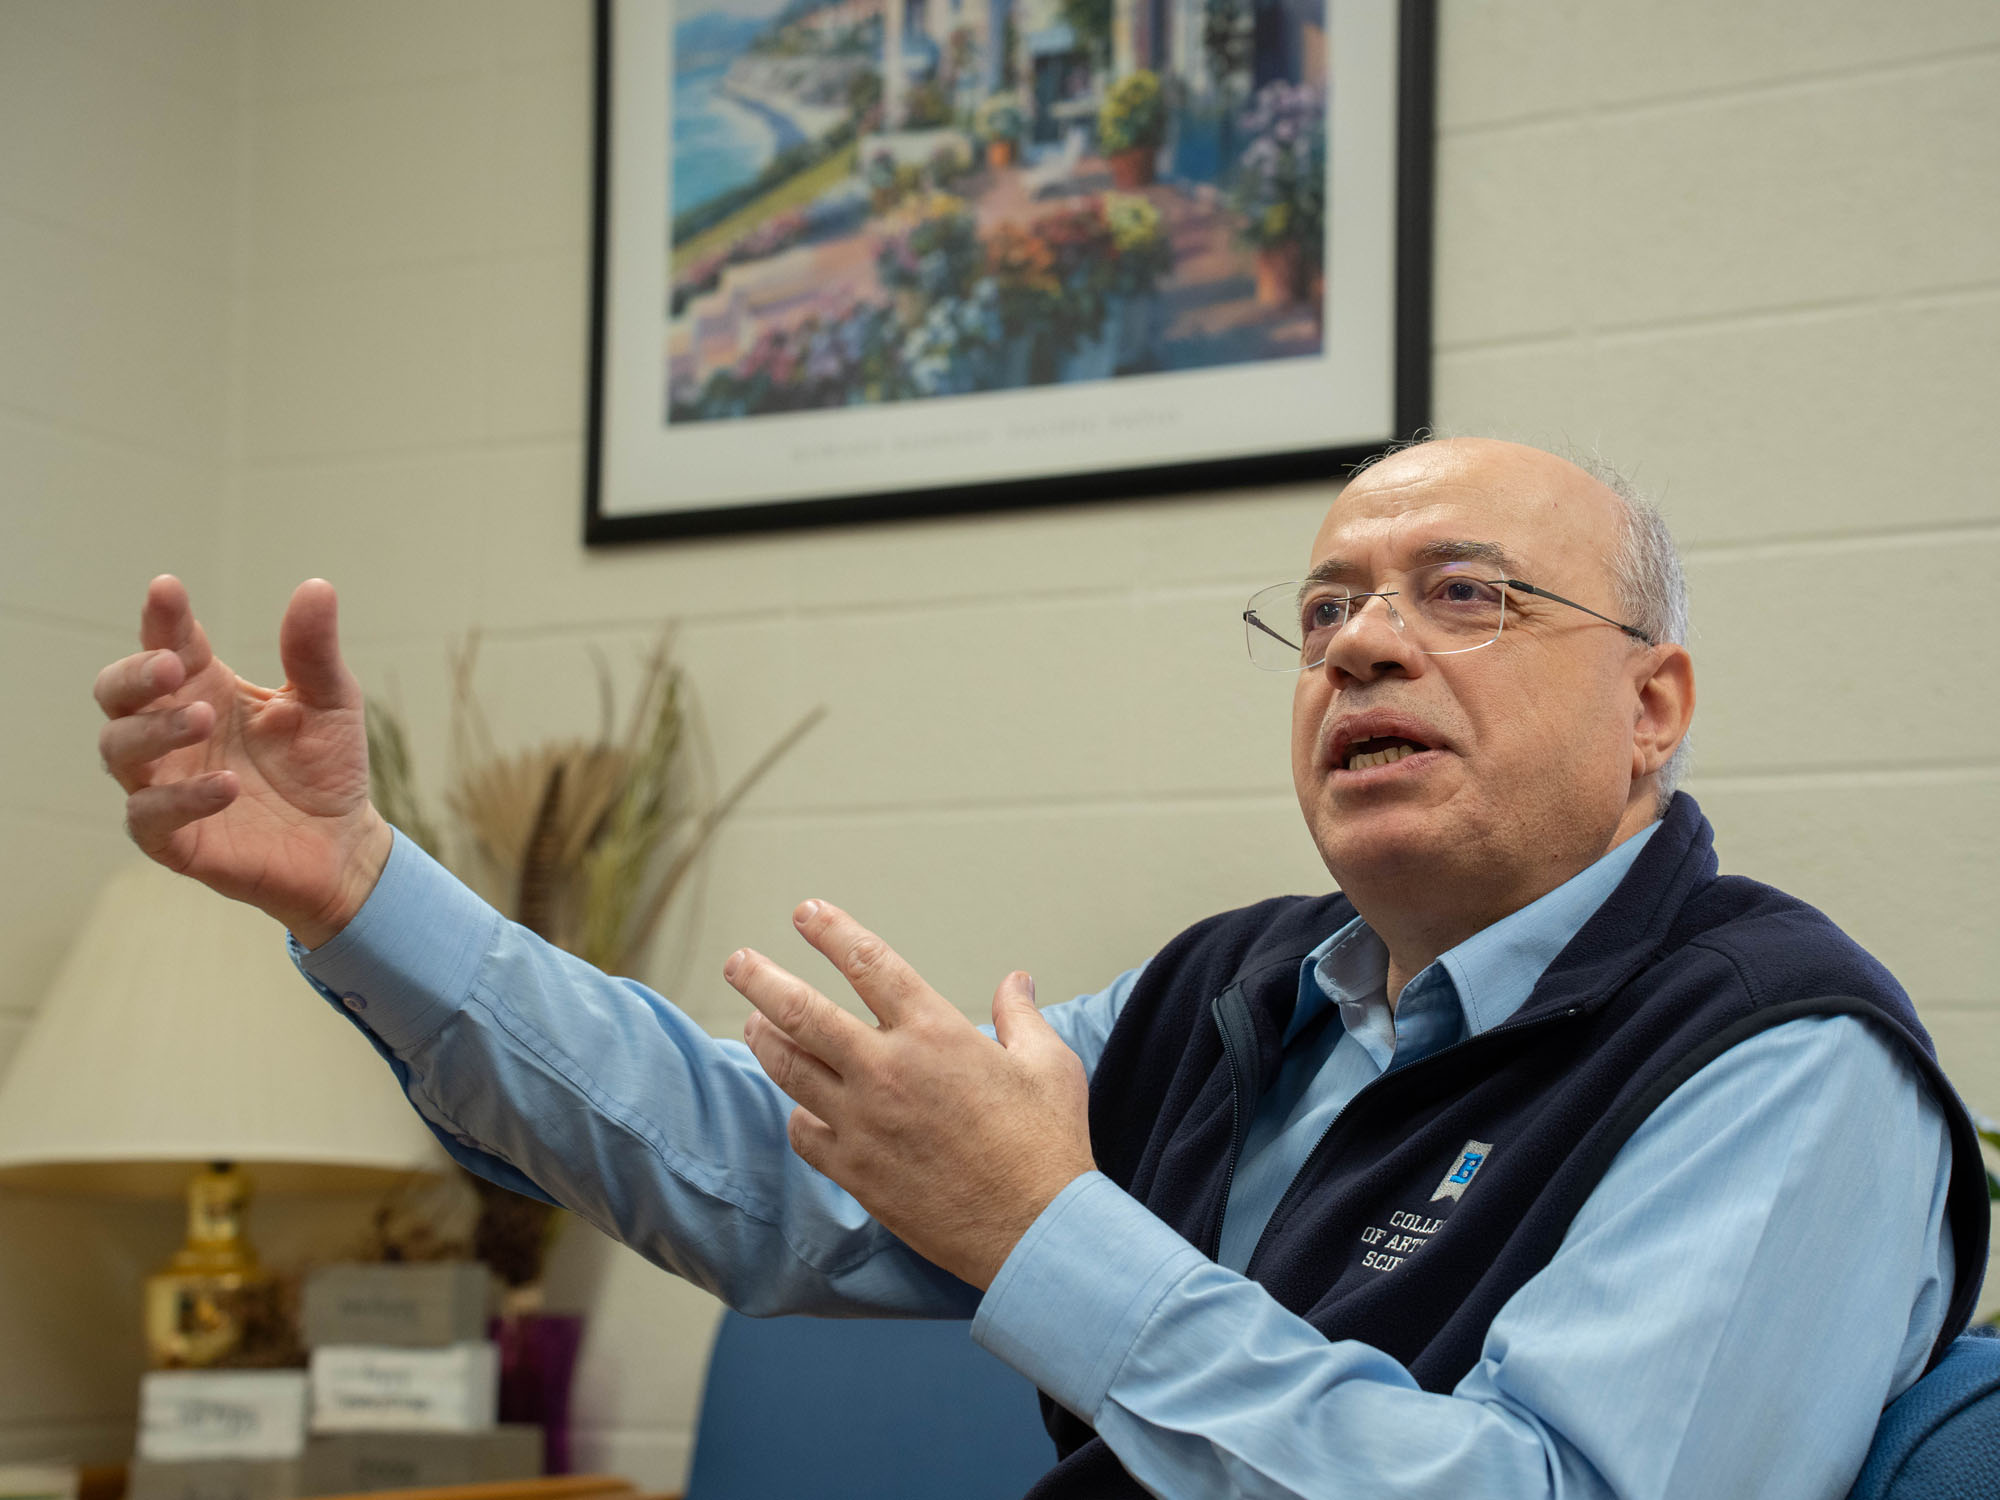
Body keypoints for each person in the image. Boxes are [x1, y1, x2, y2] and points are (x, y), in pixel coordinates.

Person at [95, 438, 1987, 1499]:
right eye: (1325, 611)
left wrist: (1042, 1232)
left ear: (1654, 708)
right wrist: (359, 889)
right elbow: (760, 1169)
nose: (1363, 649)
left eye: (1466, 594)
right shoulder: (1239, 1000)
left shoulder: (1785, 1059)